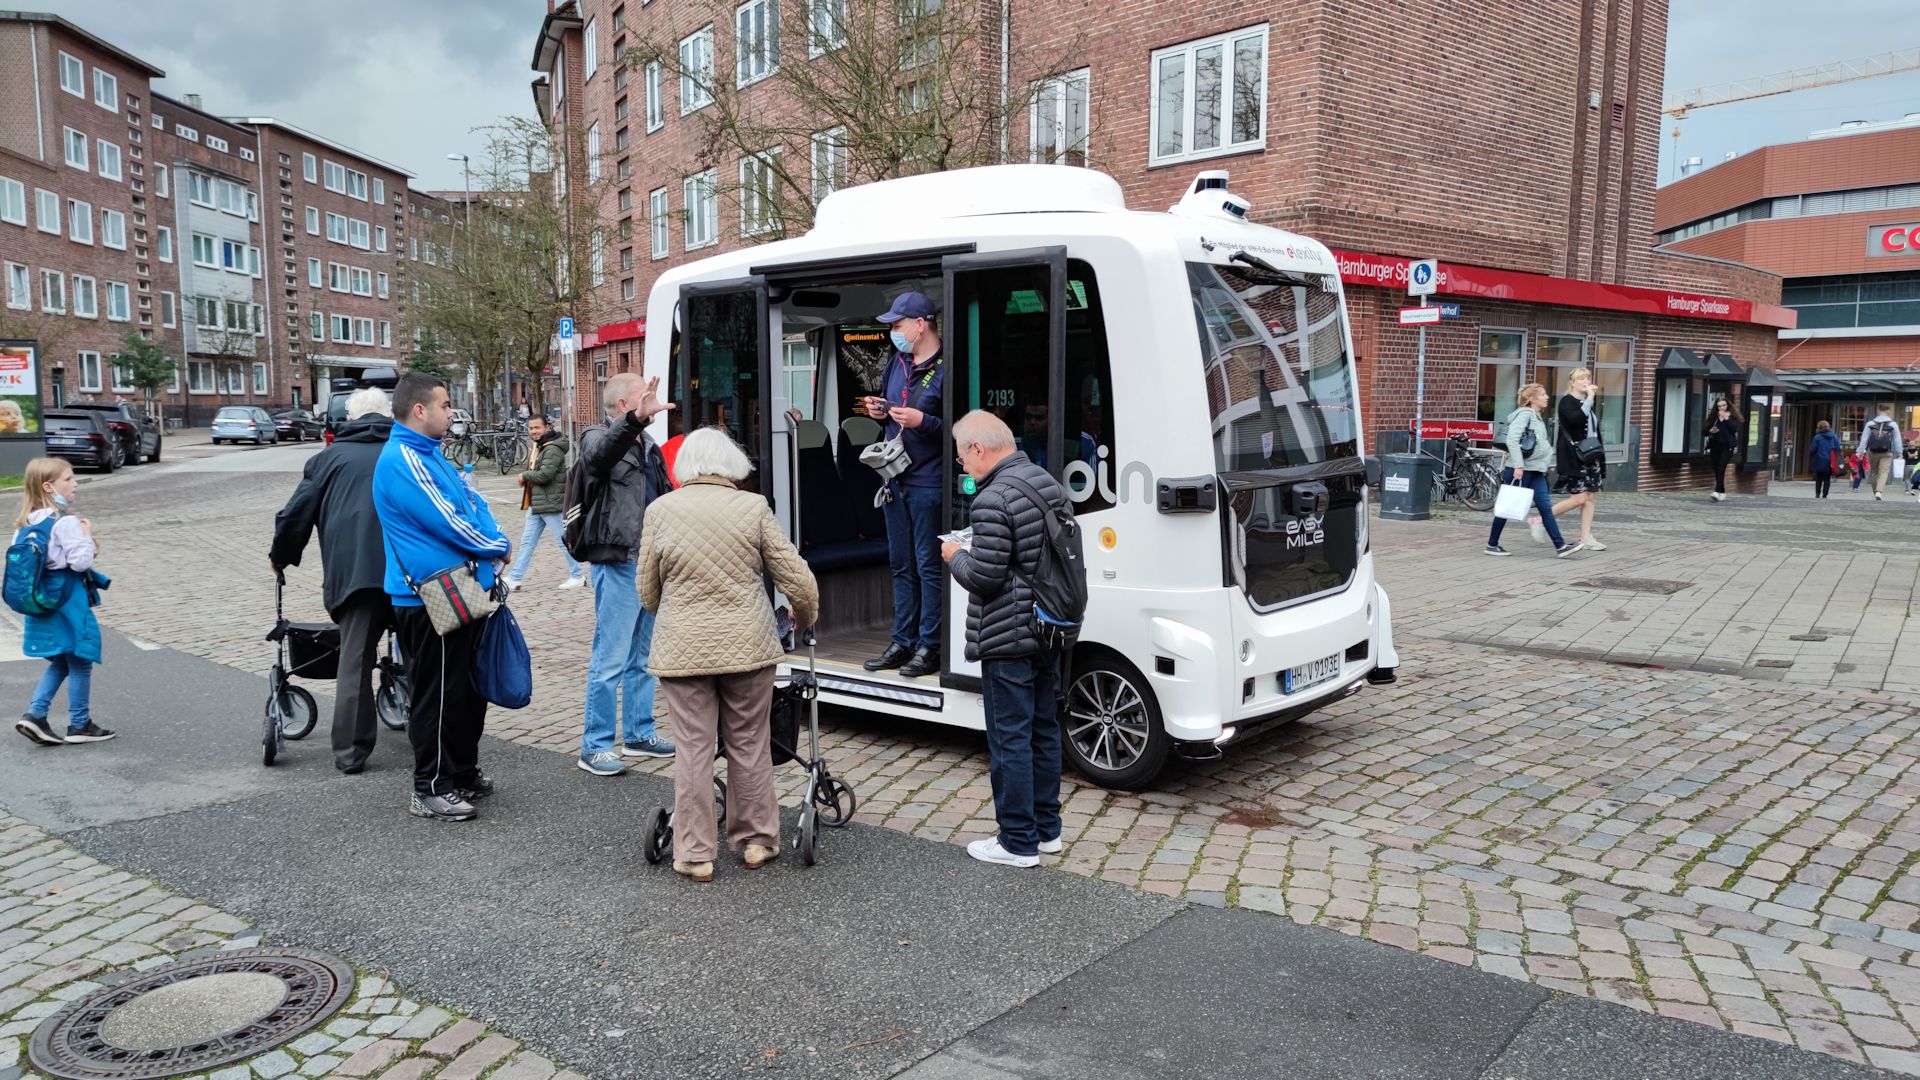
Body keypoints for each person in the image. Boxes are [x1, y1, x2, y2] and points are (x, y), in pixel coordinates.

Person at [639, 427, 818, 882]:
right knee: (750, 741)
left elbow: (647, 591)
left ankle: (695, 853)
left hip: (683, 649)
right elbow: (797, 579)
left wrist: (677, 611)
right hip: (748, 646)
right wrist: (805, 616)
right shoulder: (752, 507)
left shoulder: (660, 510)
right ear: (732, 464)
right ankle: (757, 840)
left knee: (692, 749)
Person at [372, 374, 511, 822]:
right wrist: (496, 546)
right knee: (438, 694)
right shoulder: (403, 459)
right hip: (430, 596)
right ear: (420, 410)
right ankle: (430, 786)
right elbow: (448, 521)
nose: (451, 413)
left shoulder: (431, 454)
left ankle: (462, 770)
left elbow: (473, 503)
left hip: (459, 588)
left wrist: (494, 539)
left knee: (466, 689)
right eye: (445, 405)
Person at [941, 410, 1068, 868]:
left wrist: (955, 555)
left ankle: (1017, 841)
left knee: (1010, 739)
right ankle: (1047, 831)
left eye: (962, 457)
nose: (963, 466)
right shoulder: (1044, 482)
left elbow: (985, 577)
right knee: (1043, 730)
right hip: (1047, 626)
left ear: (978, 448)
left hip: (1006, 634)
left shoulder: (992, 498)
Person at [270, 388, 394, 774]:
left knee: (354, 662)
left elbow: (296, 514)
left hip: (358, 576)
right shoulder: (406, 451)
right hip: (412, 573)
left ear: (350, 419)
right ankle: (432, 739)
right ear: (388, 416)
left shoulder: (329, 458)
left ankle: (351, 752)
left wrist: (281, 556)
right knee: (423, 656)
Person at [574, 371, 677, 777]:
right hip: (618, 562)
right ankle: (595, 746)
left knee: (643, 657)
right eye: (642, 396)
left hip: (649, 562)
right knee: (610, 658)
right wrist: (634, 421)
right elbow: (602, 456)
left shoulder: (648, 446)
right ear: (622, 406)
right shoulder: (594, 437)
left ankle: (638, 733)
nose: (652, 400)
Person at [861, 290, 945, 680]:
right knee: (901, 564)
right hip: (894, 477)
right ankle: (902, 641)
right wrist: (881, 411)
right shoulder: (897, 362)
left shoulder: (947, 367)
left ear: (920, 324)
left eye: (897, 324)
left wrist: (923, 422)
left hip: (930, 481)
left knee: (928, 566)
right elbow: (892, 409)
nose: (893, 331)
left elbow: (961, 429)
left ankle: (931, 646)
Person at [11, 458, 110, 746]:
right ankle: (79, 724)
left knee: (63, 660)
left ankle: (36, 714)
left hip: (43, 600)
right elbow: (80, 563)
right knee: (80, 660)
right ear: (48, 486)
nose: (75, 483)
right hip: (68, 600)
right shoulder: (64, 522)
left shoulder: (24, 525)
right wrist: (87, 536)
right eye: (68, 479)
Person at [1486, 385, 1579, 558]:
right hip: (1522, 470)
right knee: (1507, 507)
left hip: (1535, 470)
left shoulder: (1535, 416)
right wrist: (1518, 466)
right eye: (1543, 394)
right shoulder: (1525, 414)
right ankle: (1492, 544)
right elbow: (1512, 440)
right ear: (1532, 399)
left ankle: (1560, 546)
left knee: (1545, 508)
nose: (1547, 397)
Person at [503, 414, 585, 591]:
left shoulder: (552, 448)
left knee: (563, 541)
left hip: (550, 503)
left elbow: (545, 475)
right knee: (527, 542)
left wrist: (525, 475)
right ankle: (515, 577)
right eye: (531, 428)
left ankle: (578, 575)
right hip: (538, 503)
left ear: (547, 427)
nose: (534, 431)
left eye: (537, 427)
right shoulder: (540, 446)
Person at [1544, 368, 1605, 553]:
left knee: (1590, 497)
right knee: (1579, 498)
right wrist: (1590, 398)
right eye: (1581, 379)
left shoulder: (1587, 402)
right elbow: (1577, 420)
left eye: (1587, 378)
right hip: (1575, 457)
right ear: (1572, 382)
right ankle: (1541, 518)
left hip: (1590, 455)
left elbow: (1593, 430)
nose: (1585, 382)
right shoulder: (1567, 402)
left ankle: (1586, 537)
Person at [1702, 395, 1743, 502]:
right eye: (1719, 406)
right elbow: (1704, 431)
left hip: (1727, 446)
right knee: (1717, 469)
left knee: (1721, 468)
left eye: (1724, 405)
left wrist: (1726, 418)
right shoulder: (1714, 417)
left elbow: (1734, 429)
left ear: (1728, 405)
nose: (1722, 408)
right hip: (1715, 446)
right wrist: (1711, 430)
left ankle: (1716, 491)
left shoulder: (1732, 417)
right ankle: (1722, 492)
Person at [1860, 404, 1904, 501]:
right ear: (1888, 411)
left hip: (1872, 452)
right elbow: (1897, 440)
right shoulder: (1893, 425)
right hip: (1887, 452)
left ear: (1878, 411)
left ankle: (1875, 492)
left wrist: (1859, 452)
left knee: (1874, 472)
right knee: (1883, 472)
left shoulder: (1870, 424)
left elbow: (1864, 439)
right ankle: (1879, 492)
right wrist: (1900, 452)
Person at [1809, 420, 1841, 500]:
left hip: (1819, 460)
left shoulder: (1817, 437)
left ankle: (1817, 494)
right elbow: (1837, 448)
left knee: (1818, 478)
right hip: (1830, 460)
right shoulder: (1833, 436)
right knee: (1827, 478)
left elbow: (1812, 449)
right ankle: (1825, 495)